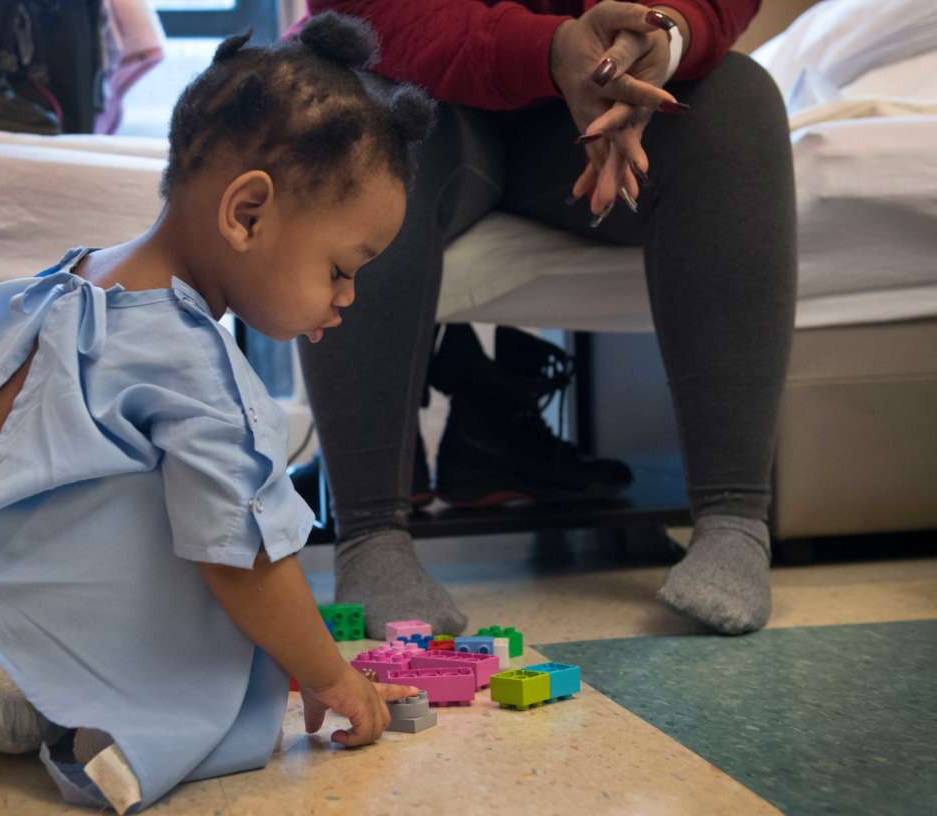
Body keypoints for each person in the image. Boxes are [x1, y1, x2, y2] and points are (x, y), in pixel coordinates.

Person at [0, 14, 433, 813]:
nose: (345, 301)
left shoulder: (64, 280)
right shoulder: (186, 354)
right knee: (228, 515)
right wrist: (326, 672)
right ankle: (120, 732)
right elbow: (239, 561)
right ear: (246, 214)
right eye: (340, 270)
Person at [297, 0, 797, 638]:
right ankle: (369, 536)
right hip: (428, 90)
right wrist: (548, 50)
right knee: (358, 122)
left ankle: (734, 521)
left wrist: (658, 37)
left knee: (739, 96)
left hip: (592, 111)